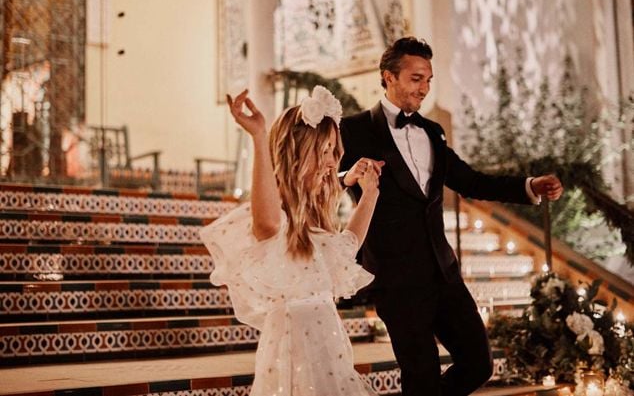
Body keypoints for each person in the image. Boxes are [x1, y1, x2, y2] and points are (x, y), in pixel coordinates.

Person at [339, 37, 564, 396]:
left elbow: (470, 181)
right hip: (395, 279)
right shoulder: (353, 129)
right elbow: (320, 179)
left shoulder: (433, 132)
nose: (424, 88)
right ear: (389, 77)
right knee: (421, 378)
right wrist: (347, 177)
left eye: (428, 79)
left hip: (443, 273)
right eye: (416, 78)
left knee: (479, 363)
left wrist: (528, 186)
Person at [200, 86, 384, 396]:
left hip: (330, 348)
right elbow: (267, 222)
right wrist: (259, 137)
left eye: (333, 151)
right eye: (323, 151)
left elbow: (348, 246)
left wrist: (370, 194)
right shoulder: (278, 218)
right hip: (293, 350)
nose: (331, 162)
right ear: (296, 153)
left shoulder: (313, 219)